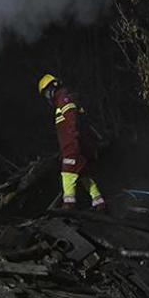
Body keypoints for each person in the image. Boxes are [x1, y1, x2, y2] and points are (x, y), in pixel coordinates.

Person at [38, 74, 105, 211]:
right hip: (75, 145)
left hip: (73, 146)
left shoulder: (63, 98)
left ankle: (68, 204)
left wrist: (73, 142)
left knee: (67, 172)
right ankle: (99, 202)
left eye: (46, 93)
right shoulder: (61, 101)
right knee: (84, 175)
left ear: (52, 88)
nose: (46, 98)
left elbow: (71, 120)